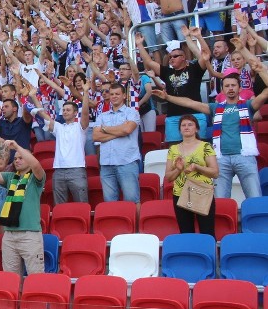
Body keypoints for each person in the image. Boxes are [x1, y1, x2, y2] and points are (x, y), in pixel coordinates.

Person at [154, 67, 268, 199]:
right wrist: (167, 97)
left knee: (255, 198)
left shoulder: (248, 105)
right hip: (221, 158)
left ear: (240, 88)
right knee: (220, 201)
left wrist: (260, 69)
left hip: (244, 156)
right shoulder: (215, 107)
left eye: (233, 85)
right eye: (227, 86)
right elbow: (190, 103)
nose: (230, 88)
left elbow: (265, 93)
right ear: (222, 89)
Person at [0, 140, 46, 276]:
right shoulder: (11, 177)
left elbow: (36, 164)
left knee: (36, 277)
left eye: (21, 158)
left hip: (30, 235)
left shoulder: (36, 178)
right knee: (10, 279)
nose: (16, 161)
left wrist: (17, 146)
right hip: (10, 235)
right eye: (15, 158)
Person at [164, 114, 219, 235]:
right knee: (186, 232)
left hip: (202, 191)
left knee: (207, 232)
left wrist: (196, 167)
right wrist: (178, 169)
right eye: (183, 125)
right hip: (180, 192)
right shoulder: (173, 149)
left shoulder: (206, 146)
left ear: (197, 128)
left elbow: (215, 172)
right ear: (179, 130)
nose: (186, 127)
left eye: (190, 124)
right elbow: (168, 177)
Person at [43, 79, 90, 204]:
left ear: (75, 113)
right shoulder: (59, 127)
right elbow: (44, 116)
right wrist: (33, 97)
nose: (64, 112)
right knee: (59, 206)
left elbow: (85, 113)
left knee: (82, 204)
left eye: (68, 110)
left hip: (77, 170)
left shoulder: (80, 127)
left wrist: (85, 93)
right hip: (58, 170)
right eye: (63, 110)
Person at [93, 83, 141, 203]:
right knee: (109, 202)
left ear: (124, 95)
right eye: (112, 94)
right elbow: (95, 136)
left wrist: (106, 129)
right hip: (106, 164)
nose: (114, 96)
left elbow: (127, 130)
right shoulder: (102, 116)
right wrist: (119, 131)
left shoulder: (132, 113)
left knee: (132, 200)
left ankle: (135, 223)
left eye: (117, 94)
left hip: (126, 162)